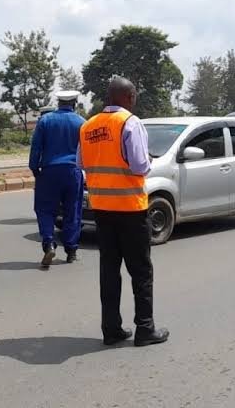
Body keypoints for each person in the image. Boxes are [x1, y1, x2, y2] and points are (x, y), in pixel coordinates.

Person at [80, 76, 169, 347]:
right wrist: (150, 160)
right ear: (128, 96)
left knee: (109, 271)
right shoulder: (130, 122)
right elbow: (140, 166)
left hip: (102, 210)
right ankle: (145, 329)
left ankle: (111, 329)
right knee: (141, 271)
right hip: (130, 209)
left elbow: (81, 163)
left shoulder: (88, 126)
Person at [29, 91, 85, 269]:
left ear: (58, 102)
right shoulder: (82, 122)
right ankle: (71, 251)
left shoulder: (45, 121)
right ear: (74, 103)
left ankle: (49, 244)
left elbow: (36, 147)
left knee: (45, 209)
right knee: (72, 211)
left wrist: (34, 168)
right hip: (72, 171)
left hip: (49, 171)